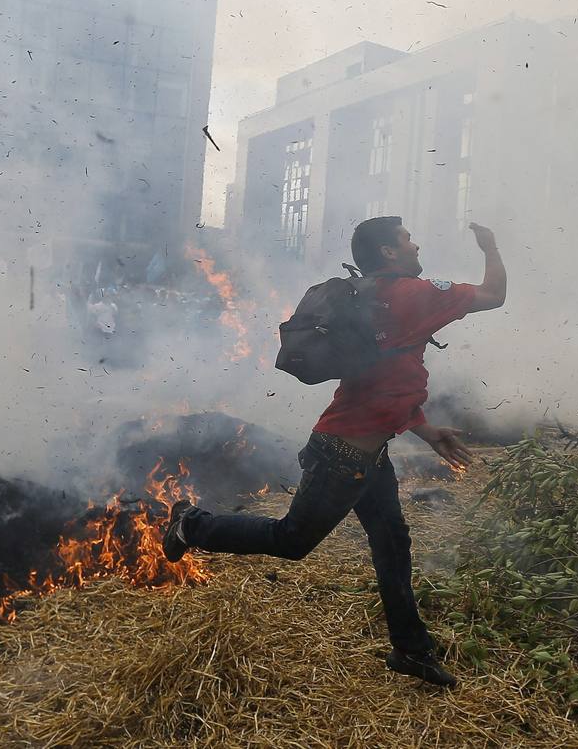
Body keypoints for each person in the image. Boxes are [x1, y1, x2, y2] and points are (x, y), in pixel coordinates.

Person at [162, 217, 506, 688]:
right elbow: (495, 294)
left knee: (391, 545)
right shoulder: (415, 294)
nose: (416, 243)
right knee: (292, 540)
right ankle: (190, 523)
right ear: (387, 252)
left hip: (368, 454)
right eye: (407, 239)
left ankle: (411, 650)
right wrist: (490, 246)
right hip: (341, 456)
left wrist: (425, 431)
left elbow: (385, 385)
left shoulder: (369, 299)